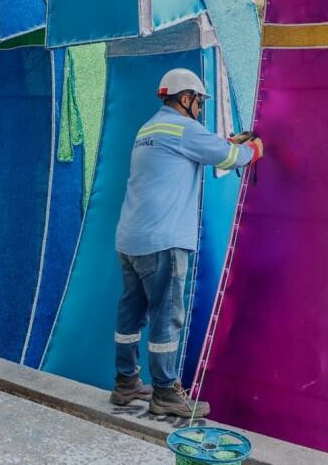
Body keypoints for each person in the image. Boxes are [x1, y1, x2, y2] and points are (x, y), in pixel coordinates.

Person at [111, 68, 264, 418]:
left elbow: (204, 148)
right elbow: (230, 158)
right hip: (163, 242)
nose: (199, 107)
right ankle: (165, 391)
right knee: (167, 317)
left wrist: (228, 142)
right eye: (198, 101)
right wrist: (255, 148)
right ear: (185, 98)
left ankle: (125, 383)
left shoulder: (149, 128)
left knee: (131, 313)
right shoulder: (183, 129)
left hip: (130, 239)